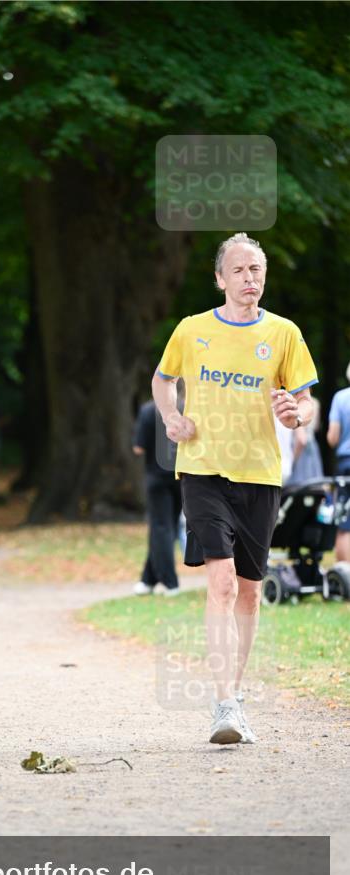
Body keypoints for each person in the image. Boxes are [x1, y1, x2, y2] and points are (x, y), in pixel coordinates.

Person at [152, 232, 318, 746]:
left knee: (249, 590)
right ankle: (224, 705)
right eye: (240, 270)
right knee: (221, 582)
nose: (250, 278)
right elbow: (162, 380)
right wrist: (172, 417)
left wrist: (296, 414)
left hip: (260, 474)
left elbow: (306, 401)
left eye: (257, 269)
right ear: (220, 279)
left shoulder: (284, 333)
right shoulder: (192, 329)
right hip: (203, 469)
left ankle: (235, 694)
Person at [132, 400, 181, 596]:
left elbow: (138, 448)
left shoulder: (148, 410)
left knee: (161, 528)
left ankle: (170, 582)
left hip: (156, 478)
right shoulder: (185, 408)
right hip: (180, 477)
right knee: (170, 528)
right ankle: (148, 579)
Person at [327, 361, 350, 561]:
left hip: (346, 462)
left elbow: (333, 437)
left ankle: (344, 572)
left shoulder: (341, 398)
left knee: (344, 520)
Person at [289, 395, 323, 485]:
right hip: (312, 443)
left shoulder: (294, 403)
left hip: (298, 446)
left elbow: (301, 439)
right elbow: (316, 427)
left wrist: (292, 461)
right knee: (313, 482)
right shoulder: (315, 402)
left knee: (297, 484)